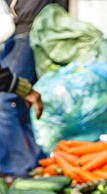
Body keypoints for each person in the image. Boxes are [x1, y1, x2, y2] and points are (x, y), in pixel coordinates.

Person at [1, 0, 63, 176]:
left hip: (27, 27)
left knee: (5, 101)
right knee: (13, 102)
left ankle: (19, 170)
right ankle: (32, 163)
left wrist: (23, 89)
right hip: (21, 28)